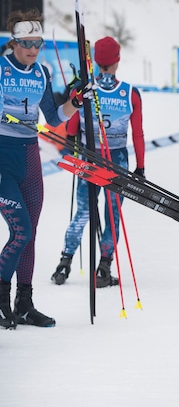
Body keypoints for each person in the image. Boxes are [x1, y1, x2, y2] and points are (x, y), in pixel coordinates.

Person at [0, 9, 86, 330]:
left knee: (29, 234)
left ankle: (24, 303)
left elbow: (52, 118)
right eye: (27, 43)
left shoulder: (42, 73)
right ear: (14, 43)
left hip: (29, 158)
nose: (33, 49)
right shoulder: (1, 68)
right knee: (20, 230)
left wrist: (75, 103)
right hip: (2, 157)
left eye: (38, 43)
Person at [50, 36, 145, 288]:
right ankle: (103, 267)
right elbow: (138, 134)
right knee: (112, 215)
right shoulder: (130, 93)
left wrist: (71, 142)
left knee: (82, 212)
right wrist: (141, 168)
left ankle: (64, 262)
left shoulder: (83, 89)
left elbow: (71, 126)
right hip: (117, 161)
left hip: (88, 158)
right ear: (117, 60)